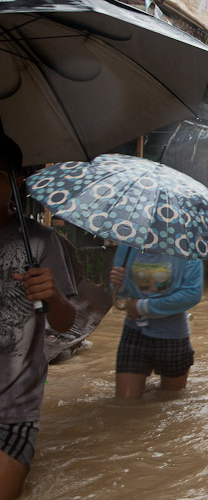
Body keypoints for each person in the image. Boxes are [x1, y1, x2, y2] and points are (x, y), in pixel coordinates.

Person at [0, 137, 77, 499]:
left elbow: (65, 323)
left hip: (12, 408)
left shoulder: (41, 242)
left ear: (15, 183)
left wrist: (53, 294)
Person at [109, 246, 203, 399]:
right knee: (124, 405)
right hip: (134, 333)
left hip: (173, 338)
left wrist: (141, 307)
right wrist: (118, 283)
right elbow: (120, 295)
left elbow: (192, 294)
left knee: (170, 401)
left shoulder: (187, 248)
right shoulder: (128, 246)